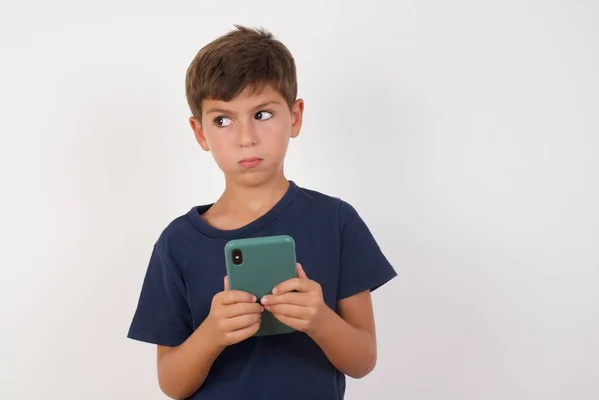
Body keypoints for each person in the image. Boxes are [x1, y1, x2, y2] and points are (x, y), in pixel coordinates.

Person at [127, 25, 397, 400]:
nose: (245, 137)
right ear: (200, 132)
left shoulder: (336, 221)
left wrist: (319, 320)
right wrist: (212, 334)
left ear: (295, 116)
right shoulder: (177, 243)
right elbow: (171, 383)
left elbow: (363, 359)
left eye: (263, 114)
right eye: (223, 120)